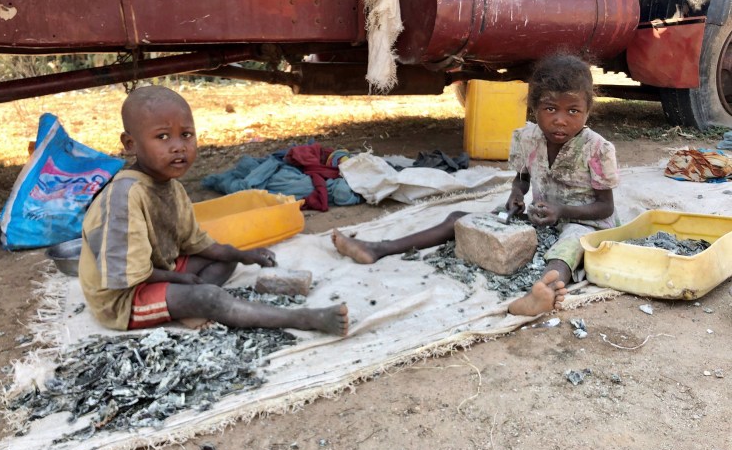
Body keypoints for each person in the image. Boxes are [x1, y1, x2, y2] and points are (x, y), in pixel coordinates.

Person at [332, 53, 619, 316]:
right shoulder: (527, 138)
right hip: (542, 216)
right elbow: (523, 178)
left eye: (573, 111)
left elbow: (605, 207)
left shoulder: (597, 149)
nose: (560, 120)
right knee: (462, 219)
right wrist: (516, 194)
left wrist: (562, 210)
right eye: (550, 108)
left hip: (585, 223)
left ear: (588, 111)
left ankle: (541, 293)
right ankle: (381, 247)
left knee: (568, 247)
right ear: (534, 108)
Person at [79, 85, 348, 336]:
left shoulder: (171, 187)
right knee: (209, 297)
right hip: (124, 296)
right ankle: (302, 319)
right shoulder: (124, 197)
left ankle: (186, 303)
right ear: (130, 144)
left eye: (186, 135)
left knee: (226, 257)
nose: (178, 146)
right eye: (162, 137)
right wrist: (183, 281)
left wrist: (245, 255)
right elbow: (129, 274)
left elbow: (196, 243)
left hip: (160, 268)